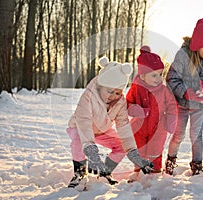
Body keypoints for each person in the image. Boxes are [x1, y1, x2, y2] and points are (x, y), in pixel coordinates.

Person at [66, 56, 154, 188]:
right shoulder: (89, 96)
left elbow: (124, 126)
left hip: (102, 129)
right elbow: (83, 122)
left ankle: (104, 172)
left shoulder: (120, 102)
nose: (113, 95)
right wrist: (91, 152)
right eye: (109, 91)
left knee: (120, 146)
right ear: (100, 86)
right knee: (79, 141)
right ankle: (79, 174)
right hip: (79, 127)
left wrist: (133, 152)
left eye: (118, 92)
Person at [165, 18, 203, 175]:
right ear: (198, 44)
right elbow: (172, 78)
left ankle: (197, 165)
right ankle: (171, 161)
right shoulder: (183, 56)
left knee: (196, 136)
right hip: (182, 104)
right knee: (178, 135)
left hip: (200, 105)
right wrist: (186, 92)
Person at [126, 46, 178, 180]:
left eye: (160, 74)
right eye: (154, 75)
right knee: (139, 149)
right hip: (139, 126)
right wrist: (135, 110)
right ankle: (138, 171)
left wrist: (171, 120)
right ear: (142, 75)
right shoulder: (136, 89)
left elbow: (172, 105)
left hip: (159, 126)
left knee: (155, 150)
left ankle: (154, 174)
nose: (159, 78)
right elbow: (127, 103)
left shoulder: (164, 90)